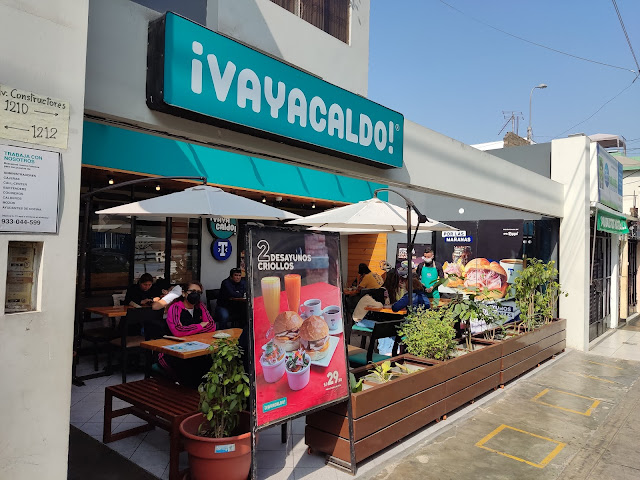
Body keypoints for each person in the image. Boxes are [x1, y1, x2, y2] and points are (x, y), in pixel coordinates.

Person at [152, 281, 216, 387]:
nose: (195, 294)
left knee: (208, 366)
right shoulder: (175, 308)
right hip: (172, 351)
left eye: (198, 292)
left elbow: (212, 326)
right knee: (188, 373)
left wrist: (187, 330)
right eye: (192, 291)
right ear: (184, 293)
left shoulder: (201, 306)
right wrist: (200, 326)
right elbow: (178, 331)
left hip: (195, 349)